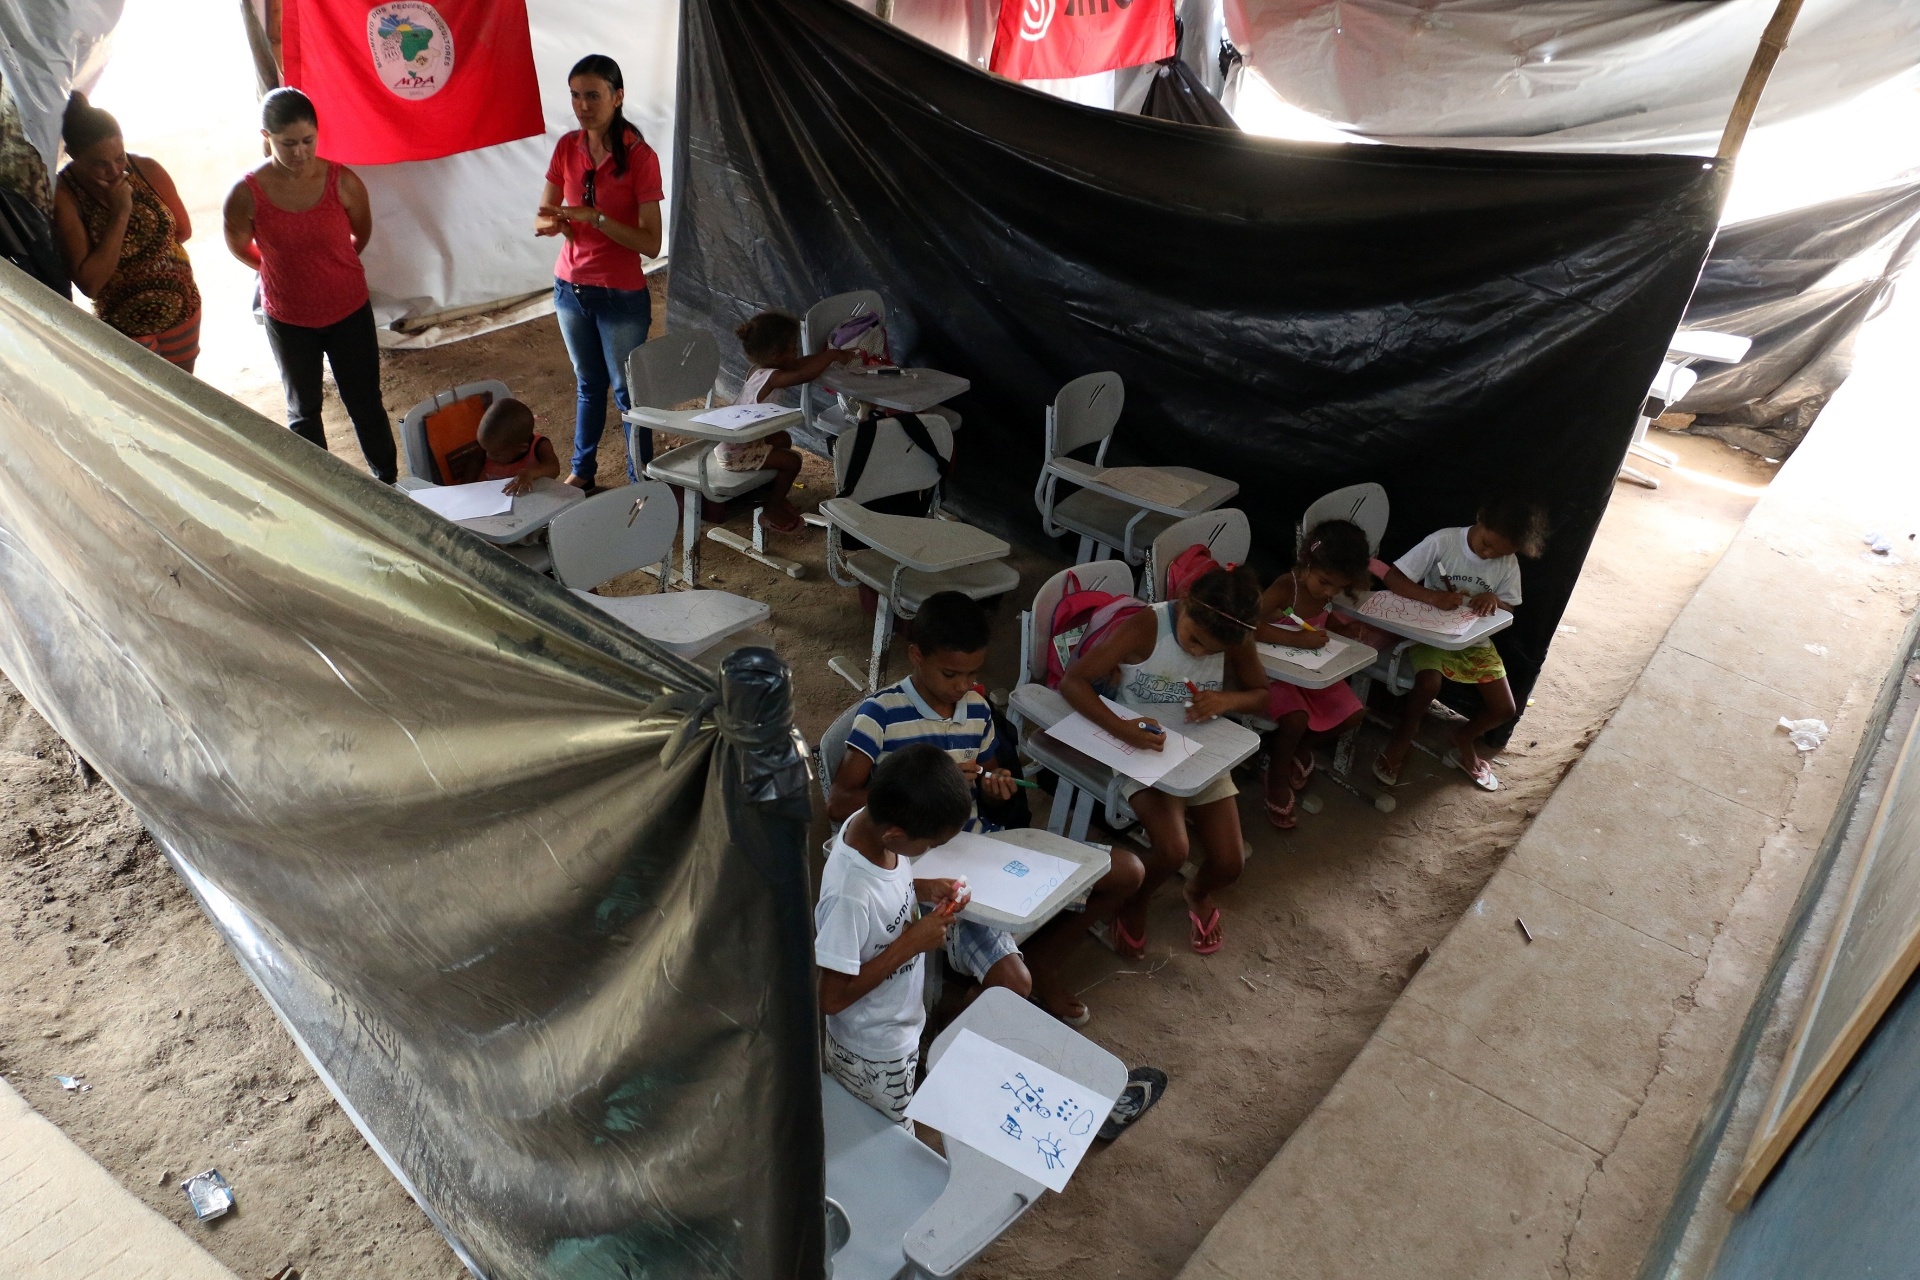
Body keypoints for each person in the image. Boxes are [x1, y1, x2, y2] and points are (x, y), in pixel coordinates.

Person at [828, 592, 1146, 1025]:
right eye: (949, 673)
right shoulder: (880, 715)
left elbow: (992, 775)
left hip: (981, 847)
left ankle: (1042, 958)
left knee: (1127, 871)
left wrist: (997, 787)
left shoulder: (976, 709)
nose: (962, 686)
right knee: (1012, 983)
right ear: (916, 656)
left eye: (972, 673)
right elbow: (838, 802)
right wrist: (921, 791)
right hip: (925, 864)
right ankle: (949, 1023)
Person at [1061, 566, 1267, 956]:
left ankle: (1197, 890)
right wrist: (1123, 728)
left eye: (1213, 652)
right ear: (1187, 604)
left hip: (1198, 751)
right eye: (1194, 640)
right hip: (1142, 747)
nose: (1200, 653)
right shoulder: (1146, 626)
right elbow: (1073, 682)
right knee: (1174, 850)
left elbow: (1261, 694)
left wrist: (1226, 700)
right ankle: (1134, 901)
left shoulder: (1233, 632)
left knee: (1230, 864)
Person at [222, 88, 397, 483]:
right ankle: (323, 492)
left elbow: (361, 233)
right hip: (289, 318)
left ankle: (388, 483)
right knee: (303, 411)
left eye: (307, 141)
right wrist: (277, 269)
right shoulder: (245, 195)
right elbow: (238, 246)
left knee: (366, 403)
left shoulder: (342, 182)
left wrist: (331, 263)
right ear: (266, 137)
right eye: (288, 144)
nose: (300, 152)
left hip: (348, 310)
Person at [816, 744, 973, 1125]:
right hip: (870, 1048)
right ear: (895, 835)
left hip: (895, 1027)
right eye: (931, 845)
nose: (930, 850)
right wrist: (911, 943)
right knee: (890, 1139)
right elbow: (830, 997)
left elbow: (884, 887)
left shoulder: (870, 822)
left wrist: (922, 887)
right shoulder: (849, 896)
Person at [537, 55, 664, 491]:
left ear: (618, 96)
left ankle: (641, 481)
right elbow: (545, 213)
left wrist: (598, 219)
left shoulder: (640, 157)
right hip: (570, 288)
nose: (582, 105)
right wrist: (556, 222)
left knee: (629, 394)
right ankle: (582, 471)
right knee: (588, 384)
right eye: (575, 95)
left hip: (620, 295)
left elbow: (652, 244)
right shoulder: (566, 146)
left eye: (593, 95)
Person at [1372, 496, 1548, 792]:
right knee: (1428, 685)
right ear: (1481, 519)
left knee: (1505, 708)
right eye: (1486, 544)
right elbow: (1393, 577)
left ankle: (1463, 737)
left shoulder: (1506, 561)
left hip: (1473, 640)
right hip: (1430, 632)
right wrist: (1432, 597)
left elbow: (1510, 609)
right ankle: (1402, 737)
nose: (1489, 554)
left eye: (1500, 553)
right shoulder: (1444, 541)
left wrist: (1495, 600)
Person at [52, 93, 200, 369]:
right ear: (73, 156)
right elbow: (90, 283)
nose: (115, 170)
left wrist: (152, 264)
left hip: (181, 310)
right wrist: (120, 213)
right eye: (100, 163)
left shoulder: (146, 168)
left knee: (185, 397)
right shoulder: (65, 195)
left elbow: (183, 229)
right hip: (125, 326)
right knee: (144, 403)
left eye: (119, 157)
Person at [1255, 520, 1374, 829]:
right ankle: (1277, 777)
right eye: (1325, 583)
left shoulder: (1323, 589)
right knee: (1295, 719)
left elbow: (1323, 619)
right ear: (1307, 561)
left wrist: (1342, 628)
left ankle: (1299, 748)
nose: (1330, 591)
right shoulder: (1287, 587)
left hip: (1311, 671)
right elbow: (1248, 625)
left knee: (1353, 714)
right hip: (1273, 674)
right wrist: (1294, 639)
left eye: (1338, 587)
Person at [732, 310, 856, 533]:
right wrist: (831, 356)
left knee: (783, 439)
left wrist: (831, 355)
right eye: (792, 348)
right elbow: (803, 374)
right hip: (738, 449)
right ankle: (772, 508)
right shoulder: (774, 377)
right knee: (792, 462)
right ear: (774, 354)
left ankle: (770, 493)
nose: (796, 352)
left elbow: (799, 365)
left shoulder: (759, 370)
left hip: (739, 439)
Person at [475, 398, 561, 496]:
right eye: (485, 450)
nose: (488, 456)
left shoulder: (539, 446)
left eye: (496, 454)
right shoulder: (489, 444)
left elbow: (554, 468)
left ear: (522, 448)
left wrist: (530, 474)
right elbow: (474, 470)